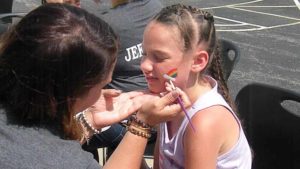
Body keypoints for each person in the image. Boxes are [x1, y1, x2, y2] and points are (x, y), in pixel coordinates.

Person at [0, 3, 190, 169]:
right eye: (101, 86)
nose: (145, 66)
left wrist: (87, 120)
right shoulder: (66, 162)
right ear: (71, 93)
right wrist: (141, 126)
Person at [140, 4, 252, 169]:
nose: (144, 65)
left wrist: (139, 126)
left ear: (198, 62)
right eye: (144, 54)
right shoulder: (169, 97)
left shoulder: (204, 123)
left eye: (159, 57)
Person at [82, 0, 163, 161]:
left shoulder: (101, 22)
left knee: (62, 131)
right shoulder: (157, 8)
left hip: (128, 120)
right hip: (159, 111)